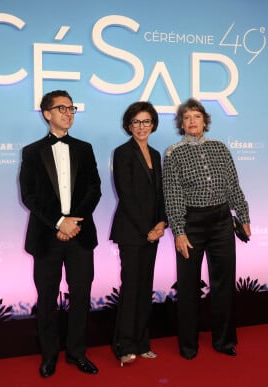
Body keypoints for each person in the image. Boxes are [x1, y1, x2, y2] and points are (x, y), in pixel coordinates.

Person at [19, 90, 102, 378]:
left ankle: (78, 353)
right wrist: (58, 222)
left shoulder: (85, 148)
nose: (68, 113)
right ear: (47, 113)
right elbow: (29, 196)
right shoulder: (31, 152)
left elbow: (95, 189)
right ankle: (49, 355)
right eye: (62, 108)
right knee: (47, 299)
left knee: (81, 297)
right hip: (46, 238)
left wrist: (73, 223)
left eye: (72, 108)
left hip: (80, 235)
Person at [162, 98, 251, 360]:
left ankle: (224, 341)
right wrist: (179, 230)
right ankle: (188, 345)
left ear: (205, 122)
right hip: (192, 225)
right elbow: (173, 195)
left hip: (223, 221)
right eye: (187, 117)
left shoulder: (221, 148)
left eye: (197, 117)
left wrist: (243, 215)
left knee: (224, 284)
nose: (192, 121)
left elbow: (233, 185)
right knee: (188, 286)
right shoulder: (173, 153)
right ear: (181, 123)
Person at [110, 101, 167, 367]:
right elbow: (127, 195)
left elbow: (160, 194)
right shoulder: (122, 153)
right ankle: (124, 346)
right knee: (131, 289)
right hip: (132, 233)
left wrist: (162, 223)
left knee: (145, 289)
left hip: (153, 232)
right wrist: (148, 229)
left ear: (153, 124)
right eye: (136, 122)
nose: (141, 127)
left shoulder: (156, 154)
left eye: (146, 121)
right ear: (128, 126)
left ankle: (143, 343)